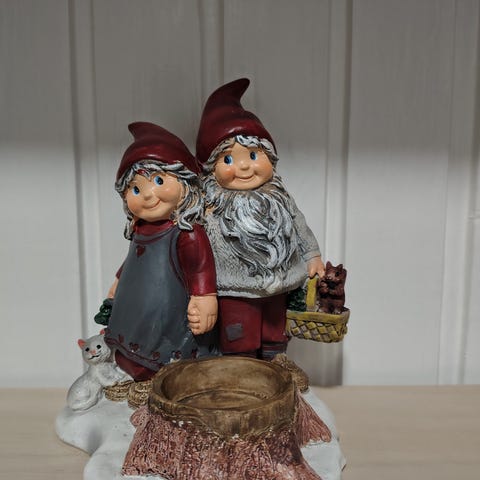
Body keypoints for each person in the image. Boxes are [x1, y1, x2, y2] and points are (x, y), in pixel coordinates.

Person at [196, 78, 325, 360]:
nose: (244, 166)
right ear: (210, 168)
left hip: (279, 286)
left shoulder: (279, 197)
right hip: (234, 290)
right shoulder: (209, 205)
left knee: (275, 332)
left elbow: (300, 226)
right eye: (228, 160)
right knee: (238, 334)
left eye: (254, 155)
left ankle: (274, 363)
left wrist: (312, 255)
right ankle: (242, 368)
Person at [104, 122, 218, 383]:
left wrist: (204, 297)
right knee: (132, 342)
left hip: (170, 313)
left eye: (158, 181)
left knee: (165, 350)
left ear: (184, 181)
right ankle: (131, 363)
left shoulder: (186, 232)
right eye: (136, 189)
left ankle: (163, 373)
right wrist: (119, 280)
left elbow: (200, 267)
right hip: (135, 308)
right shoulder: (140, 228)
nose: (148, 195)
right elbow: (134, 261)